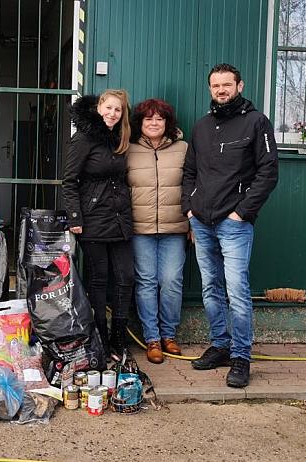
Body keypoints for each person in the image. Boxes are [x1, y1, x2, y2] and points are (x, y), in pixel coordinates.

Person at [181, 63, 279, 388]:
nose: (221, 90)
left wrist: (242, 212)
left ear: (239, 85)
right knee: (210, 289)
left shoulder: (256, 123)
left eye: (226, 84)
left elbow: (268, 173)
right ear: (210, 89)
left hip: (234, 223)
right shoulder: (202, 127)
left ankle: (241, 357)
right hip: (203, 221)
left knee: (236, 291)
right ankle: (220, 346)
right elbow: (189, 173)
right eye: (215, 85)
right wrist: (190, 209)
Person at [63, 89, 134, 357]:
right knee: (100, 278)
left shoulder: (121, 137)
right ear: (99, 107)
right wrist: (75, 217)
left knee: (126, 276)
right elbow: (69, 181)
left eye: (118, 110)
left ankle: (119, 336)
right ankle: (101, 338)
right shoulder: (83, 138)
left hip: (120, 219)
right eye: (109, 108)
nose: (112, 114)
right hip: (92, 220)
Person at [126, 98, 188, 364]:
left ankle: (168, 335)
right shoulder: (127, 150)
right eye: (148, 118)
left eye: (159, 118)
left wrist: (193, 222)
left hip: (175, 227)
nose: (153, 123)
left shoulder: (183, 148)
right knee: (146, 283)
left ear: (167, 122)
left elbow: (194, 184)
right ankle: (152, 338)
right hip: (140, 229)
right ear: (139, 123)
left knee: (171, 281)